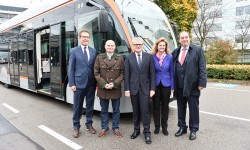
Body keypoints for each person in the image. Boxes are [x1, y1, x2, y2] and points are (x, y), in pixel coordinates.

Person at [172, 31, 207, 140]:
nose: (184, 39)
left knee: (193, 109)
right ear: (179, 40)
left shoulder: (197, 50)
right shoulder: (176, 51)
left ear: (189, 38)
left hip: (193, 86)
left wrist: (202, 83)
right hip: (179, 86)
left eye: (186, 37)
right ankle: (182, 127)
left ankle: (193, 129)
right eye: (182, 38)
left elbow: (202, 68)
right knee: (181, 108)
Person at [124, 37, 155, 144]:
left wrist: (152, 88)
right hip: (133, 89)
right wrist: (127, 89)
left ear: (142, 45)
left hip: (146, 89)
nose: (138, 46)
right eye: (136, 44)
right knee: (135, 111)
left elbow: (152, 74)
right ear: (133, 45)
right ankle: (136, 130)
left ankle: (147, 133)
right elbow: (126, 74)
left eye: (140, 44)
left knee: (145, 111)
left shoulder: (149, 57)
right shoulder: (128, 58)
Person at [68, 29, 97, 138]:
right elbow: (70, 68)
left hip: (91, 83)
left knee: (90, 106)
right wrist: (72, 83)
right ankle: (76, 126)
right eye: (83, 37)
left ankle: (89, 124)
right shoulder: (74, 51)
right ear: (80, 38)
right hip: (78, 83)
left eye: (87, 37)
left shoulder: (93, 51)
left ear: (89, 39)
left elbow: (95, 67)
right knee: (78, 107)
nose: (85, 38)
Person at [94, 40, 124, 138]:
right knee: (104, 111)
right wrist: (103, 84)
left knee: (116, 110)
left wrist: (114, 83)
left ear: (114, 47)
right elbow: (96, 73)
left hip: (115, 88)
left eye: (112, 45)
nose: (110, 47)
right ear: (105, 46)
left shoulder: (120, 58)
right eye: (108, 45)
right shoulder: (99, 58)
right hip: (103, 89)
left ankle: (116, 128)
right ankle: (104, 128)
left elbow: (123, 74)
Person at [151, 37, 174, 136]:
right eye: (160, 45)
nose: (162, 47)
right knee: (156, 107)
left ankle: (164, 127)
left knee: (165, 107)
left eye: (163, 46)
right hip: (156, 84)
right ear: (157, 46)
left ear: (166, 47)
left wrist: (172, 87)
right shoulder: (152, 57)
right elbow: (151, 72)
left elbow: (172, 73)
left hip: (166, 84)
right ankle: (157, 127)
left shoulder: (170, 57)